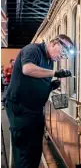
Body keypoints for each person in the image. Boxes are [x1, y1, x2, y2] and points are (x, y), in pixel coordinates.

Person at [5, 34, 74, 168]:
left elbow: (36, 80)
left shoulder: (49, 60)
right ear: (55, 44)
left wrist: (50, 85)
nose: (62, 56)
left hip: (35, 110)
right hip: (21, 108)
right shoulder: (33, 50)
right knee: (25, 150)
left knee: (35, 150)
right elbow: (27, 69)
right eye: (63, 51)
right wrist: (54, 73)